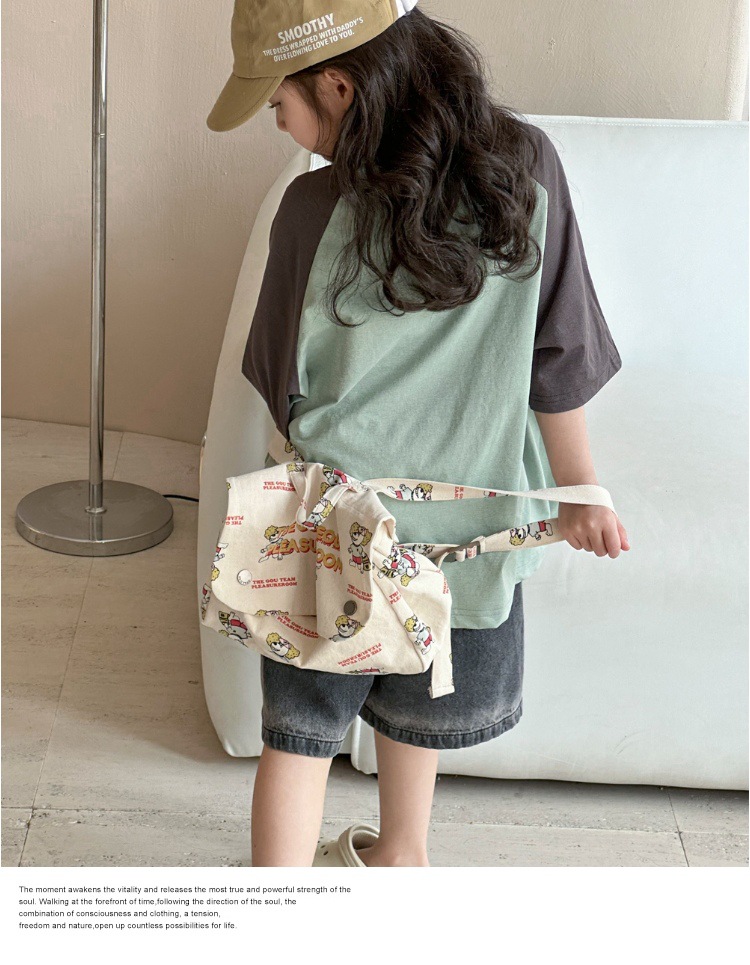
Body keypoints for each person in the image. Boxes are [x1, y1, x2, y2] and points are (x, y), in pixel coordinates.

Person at [206, 0, 630, 867]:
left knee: (300, 738)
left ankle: (274, 905)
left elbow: (281, 383)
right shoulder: (527, 170)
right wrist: (580, 490)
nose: (277, 121)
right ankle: (402, 857)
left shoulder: (309, 208)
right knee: (419, 698)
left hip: (333, 529)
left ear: (337, 85)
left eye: (278, 100)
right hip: (467, 534)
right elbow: (560, 351)